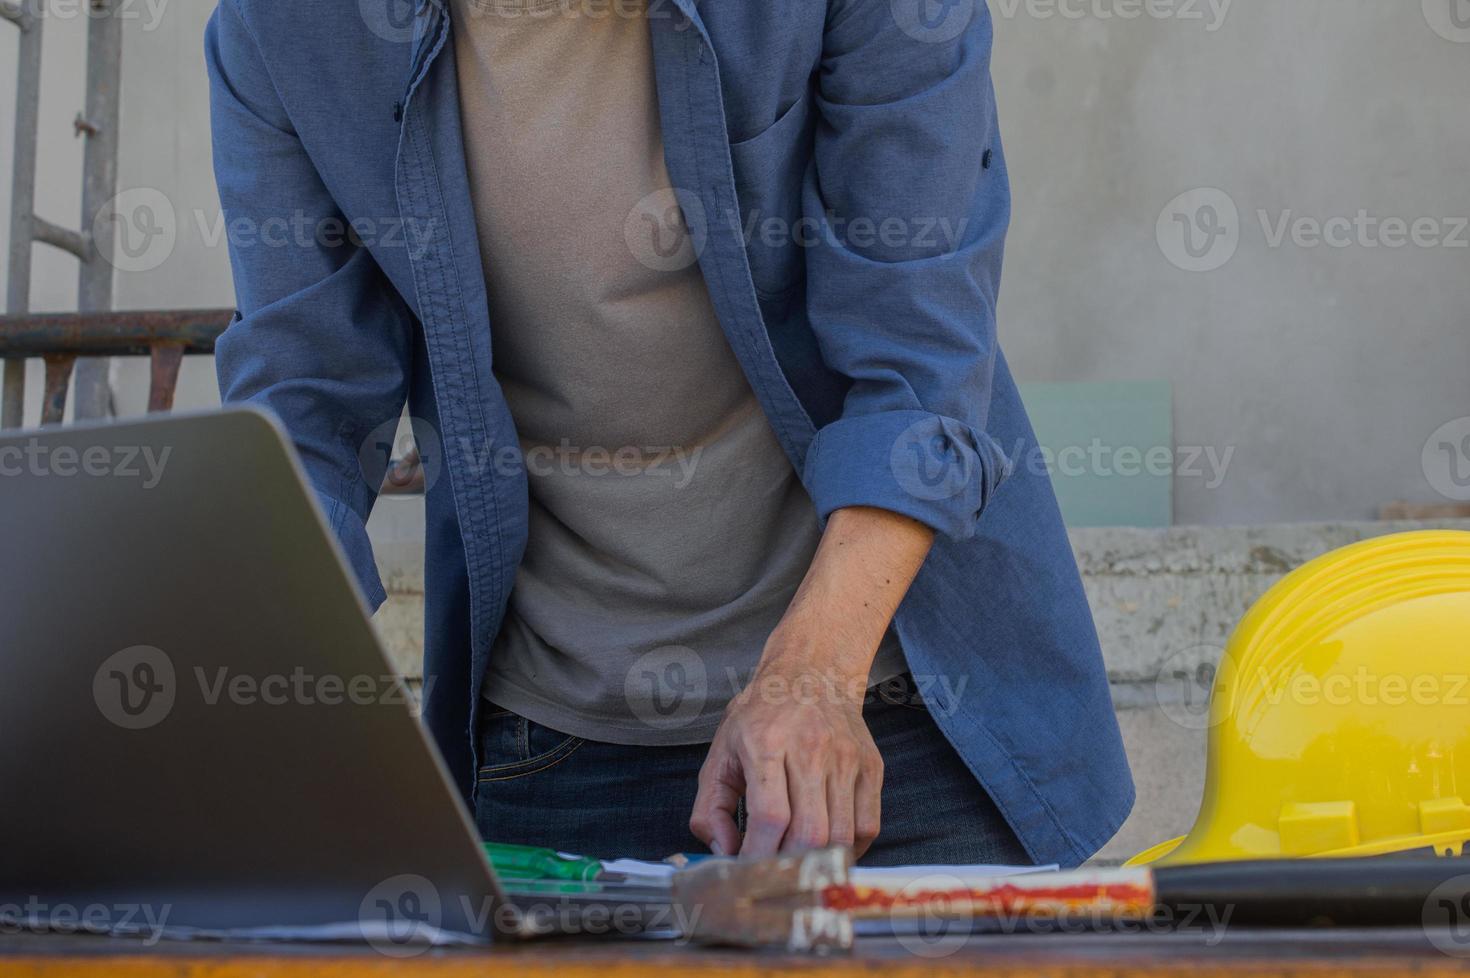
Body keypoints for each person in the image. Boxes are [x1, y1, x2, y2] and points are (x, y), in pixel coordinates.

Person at [204, 0, 1132, 866]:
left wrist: (813, 675)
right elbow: (307, 403)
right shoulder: (285, 30)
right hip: (548, 741)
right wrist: (254, 682)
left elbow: (920, 361)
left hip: (894, 709)